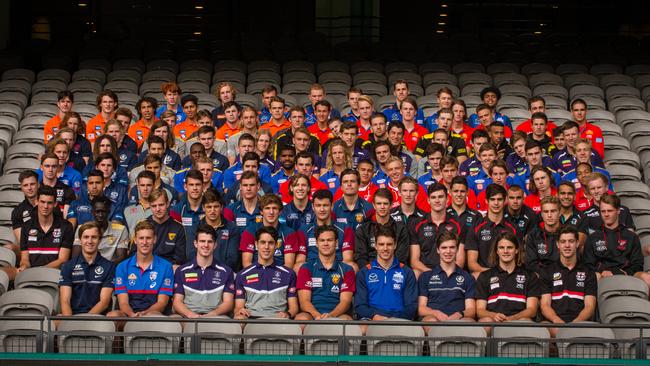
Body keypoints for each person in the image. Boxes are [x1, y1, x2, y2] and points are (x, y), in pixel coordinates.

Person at [109, 221, 174, 323]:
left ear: (154, 239)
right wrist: (132, 315)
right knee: (112, 316)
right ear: (135, 240)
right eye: (141, 238)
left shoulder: (166, 266)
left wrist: (144, 314)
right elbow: (123, 303)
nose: (144, 242)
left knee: (153, 315)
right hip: (128, 314)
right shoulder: (122, 267)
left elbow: (162, 302)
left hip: (154, 314)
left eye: (148, 238)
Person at [540, 225, 597, 337]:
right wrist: (557, 321)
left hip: (580, 322)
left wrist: (575, 323)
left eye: (571, 241)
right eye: (563, 242)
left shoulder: (588, 272)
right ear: (558, 245)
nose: (567, 245)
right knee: (543, 328)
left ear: (577, 244)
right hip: (554, 322)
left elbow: (590, 306)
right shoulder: (547, 271)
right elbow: (545, 305)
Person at [476, 231, 540, 328]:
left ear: (517, 250)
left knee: (526, 321)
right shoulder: (485, 276)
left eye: (509, 247)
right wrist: (493, 315)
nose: (505, 251)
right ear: (497, 251)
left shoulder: (530, 276)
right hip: (494, 321)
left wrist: (513, 318)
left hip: (518, 322)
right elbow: (480, 310)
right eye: (501, 248)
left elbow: (532, 310)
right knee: (485, 322)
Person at [354, 226, 418, 321]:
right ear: (375, 245)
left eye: (389, 244)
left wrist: (394, 320)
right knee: (362, 328)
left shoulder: (407, 272)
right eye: (381, 244)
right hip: (373, 320)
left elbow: (411, 306)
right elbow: (360, 306)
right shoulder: (364, 272)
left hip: (399, 320)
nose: (385, 248)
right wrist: (375, 317)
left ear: (395, 245)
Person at [583, 194, 648, 286]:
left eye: (610, 211)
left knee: (647, 277)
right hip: (602, 275)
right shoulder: (593, 237)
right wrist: (601, 271)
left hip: (627, 274)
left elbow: (638, 264)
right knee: (595, 276)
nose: (606, 214)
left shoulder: (631, 236)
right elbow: (588, 264)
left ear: (618, 211)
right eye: (603, 211)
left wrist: (626, 272)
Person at [234, 226, 298, 320]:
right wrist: (240, 311)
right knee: (238, 319)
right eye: (263, 242)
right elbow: (238, 307)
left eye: (271, 243)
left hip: (278, 319)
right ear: (256, 244)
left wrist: (288, 314)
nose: (266, 247)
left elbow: (294, 308)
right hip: (252, 318)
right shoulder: (242, 275)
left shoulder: (289, 274)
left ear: (277, 245)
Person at [172, 224, 236, 318]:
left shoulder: (226, 271)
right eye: (202, 241)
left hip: (216, 317)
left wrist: (211, 315)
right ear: (195, 243)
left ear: (215, 245)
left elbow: (228, 303)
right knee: (173, 322)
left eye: (210, 242)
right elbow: (177, 302)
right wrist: (192, 316)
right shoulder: (182, 271)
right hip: (188, 317)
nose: (206, 245)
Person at [295, 225, 356, 321]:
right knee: (301, 319)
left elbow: (345, 302)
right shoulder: (306, 268)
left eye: (330, 240)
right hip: (312, 315)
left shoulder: (347, 270)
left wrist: (331, 316)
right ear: (316, 243)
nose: (326, 243)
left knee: (347, 321)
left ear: (336, 243)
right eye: (322, 240)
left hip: (338, 315)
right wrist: (317, 316)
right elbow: (304, 302)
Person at [418, 231, 476, 322]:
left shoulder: (467, 277)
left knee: (470, 321)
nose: (448, 251)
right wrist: (435, 313)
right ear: (438, 250)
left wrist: (459, 314)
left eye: (452, 247)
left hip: (459, 321)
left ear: (457, 249)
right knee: (430, 321)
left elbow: (471, 309)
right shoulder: (426, 276)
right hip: (434, 319)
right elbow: (421, 308)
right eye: (444, 247)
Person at [59, 222, 115, 315]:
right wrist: (68, 322)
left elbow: (104, 303)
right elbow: (65, 302)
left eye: (94, 237)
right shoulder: (68, 266)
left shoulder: (109, 266)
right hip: (72, 317)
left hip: (97, 319)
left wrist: (85, 321)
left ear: (100, 240)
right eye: (86, 237)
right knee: (50, 324)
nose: (90, 241)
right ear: (80, 240)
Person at [408, 183, 463, 277]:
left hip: (451, 271)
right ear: (428, 200)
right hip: (426, 271)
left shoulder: (457, 224)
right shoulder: (417, 224)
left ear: (447, 199)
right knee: (415, 273)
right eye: (433, 197)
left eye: (440, 197)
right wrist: (430, 272)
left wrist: (446, 273)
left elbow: (460, 260)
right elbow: (414, 260)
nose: (437, 201)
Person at [18, 186, 74, 272]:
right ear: (37, 201)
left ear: (55, 204)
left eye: (49, 203)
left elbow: (62, 260)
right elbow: (25, 259)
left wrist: (40, 271)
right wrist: (24, 266)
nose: (45, 206)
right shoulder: (26, 226)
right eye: (42, 202)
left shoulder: (66, 227)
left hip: (55, 275)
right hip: (30, 276)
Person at [466, 184, 516, 278]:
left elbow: (519, 260)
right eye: (492, 199)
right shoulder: (476, 228)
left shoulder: (513, 228)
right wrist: (494, 274)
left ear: (505, 201)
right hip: (485, 275)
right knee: (474, 276)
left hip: (508, 275)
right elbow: (472, 264)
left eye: (499, 199)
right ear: (486, 201)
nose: (496, 203)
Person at [239, 194, 300, 268]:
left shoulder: (289, 233)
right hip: (255, 274)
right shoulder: (250, 232)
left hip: (279, 276)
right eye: (267, 208)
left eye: (274, 208)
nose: (271, 212)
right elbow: (246, 263)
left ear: (280, 211)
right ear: (261, 211)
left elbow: (288, 265)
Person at [355, 188, 410, 268]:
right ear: (374, 205)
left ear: (391, 205)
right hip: (370, 272)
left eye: (385, 203)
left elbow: (402, 257)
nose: (382, 207)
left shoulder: (401, 229)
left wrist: (387, 271)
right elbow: (361, 258)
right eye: (379, 203)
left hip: (394, 271)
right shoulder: (363, 229)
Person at [579, 173, 635, 244]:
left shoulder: (623, 210)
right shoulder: (584, 215)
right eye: (593, 188)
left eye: (599, 187)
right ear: (589, 191)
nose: (596, 191)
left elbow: (631, 237)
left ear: (606, 187)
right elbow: (583, 243)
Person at [71, 196, 129, 263]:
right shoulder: (82, 228)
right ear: (92, 212)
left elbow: (121, 259)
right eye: (97, 211)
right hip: (86, 268)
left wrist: (104, 269)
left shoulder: (121, 230)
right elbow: (75, 257)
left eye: (103, 211)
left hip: (111, 269)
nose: (100, 215)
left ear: (109, 211)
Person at [146, 188, 187, 267]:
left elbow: (180, 259)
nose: (158, 209)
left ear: (167, 204)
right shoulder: (143, 226)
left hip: (169, 269)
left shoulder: (178, 227)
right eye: (154, 206)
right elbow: (135, 254)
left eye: (161, 205)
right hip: (147, 268)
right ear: (150, 206)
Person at [170, 170, 205, 259]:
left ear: (203, 186)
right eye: (191, 185)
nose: (195, 188)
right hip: (184, 261)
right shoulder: (177, 210)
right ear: (185, 187)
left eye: (198, 184)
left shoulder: (210, 209)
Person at [525, 196, 562, 274]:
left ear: (560, 213)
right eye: (546, 211)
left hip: (564, 276)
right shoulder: (533, 235)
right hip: (541, 278)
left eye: (553, 211)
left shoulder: (568, 233)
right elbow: (531, 264)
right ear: (541, 214)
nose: (549, 215)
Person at [37, 152, 76, 217]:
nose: (50, 170)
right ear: (41, 167)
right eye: (47, 166)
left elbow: (68, 217)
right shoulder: (36, 189)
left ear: (58, 168)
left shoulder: (67, 190)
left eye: (54, 166)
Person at [11, 171, 39, 246]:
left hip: (49, 246)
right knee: (8, 247)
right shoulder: (17, 211)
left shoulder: (48, 205)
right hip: (28, 247)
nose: (29, 188)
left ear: (38, 184)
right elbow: (21, 241)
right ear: (21, 188)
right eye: (25, 185)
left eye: (32, 184)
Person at [124, 170, 155, 235]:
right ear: (138, 187)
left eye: (149, 185)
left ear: (154, 186)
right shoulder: (127, 210)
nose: (145, 189)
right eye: (142, 185)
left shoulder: (159, 209)